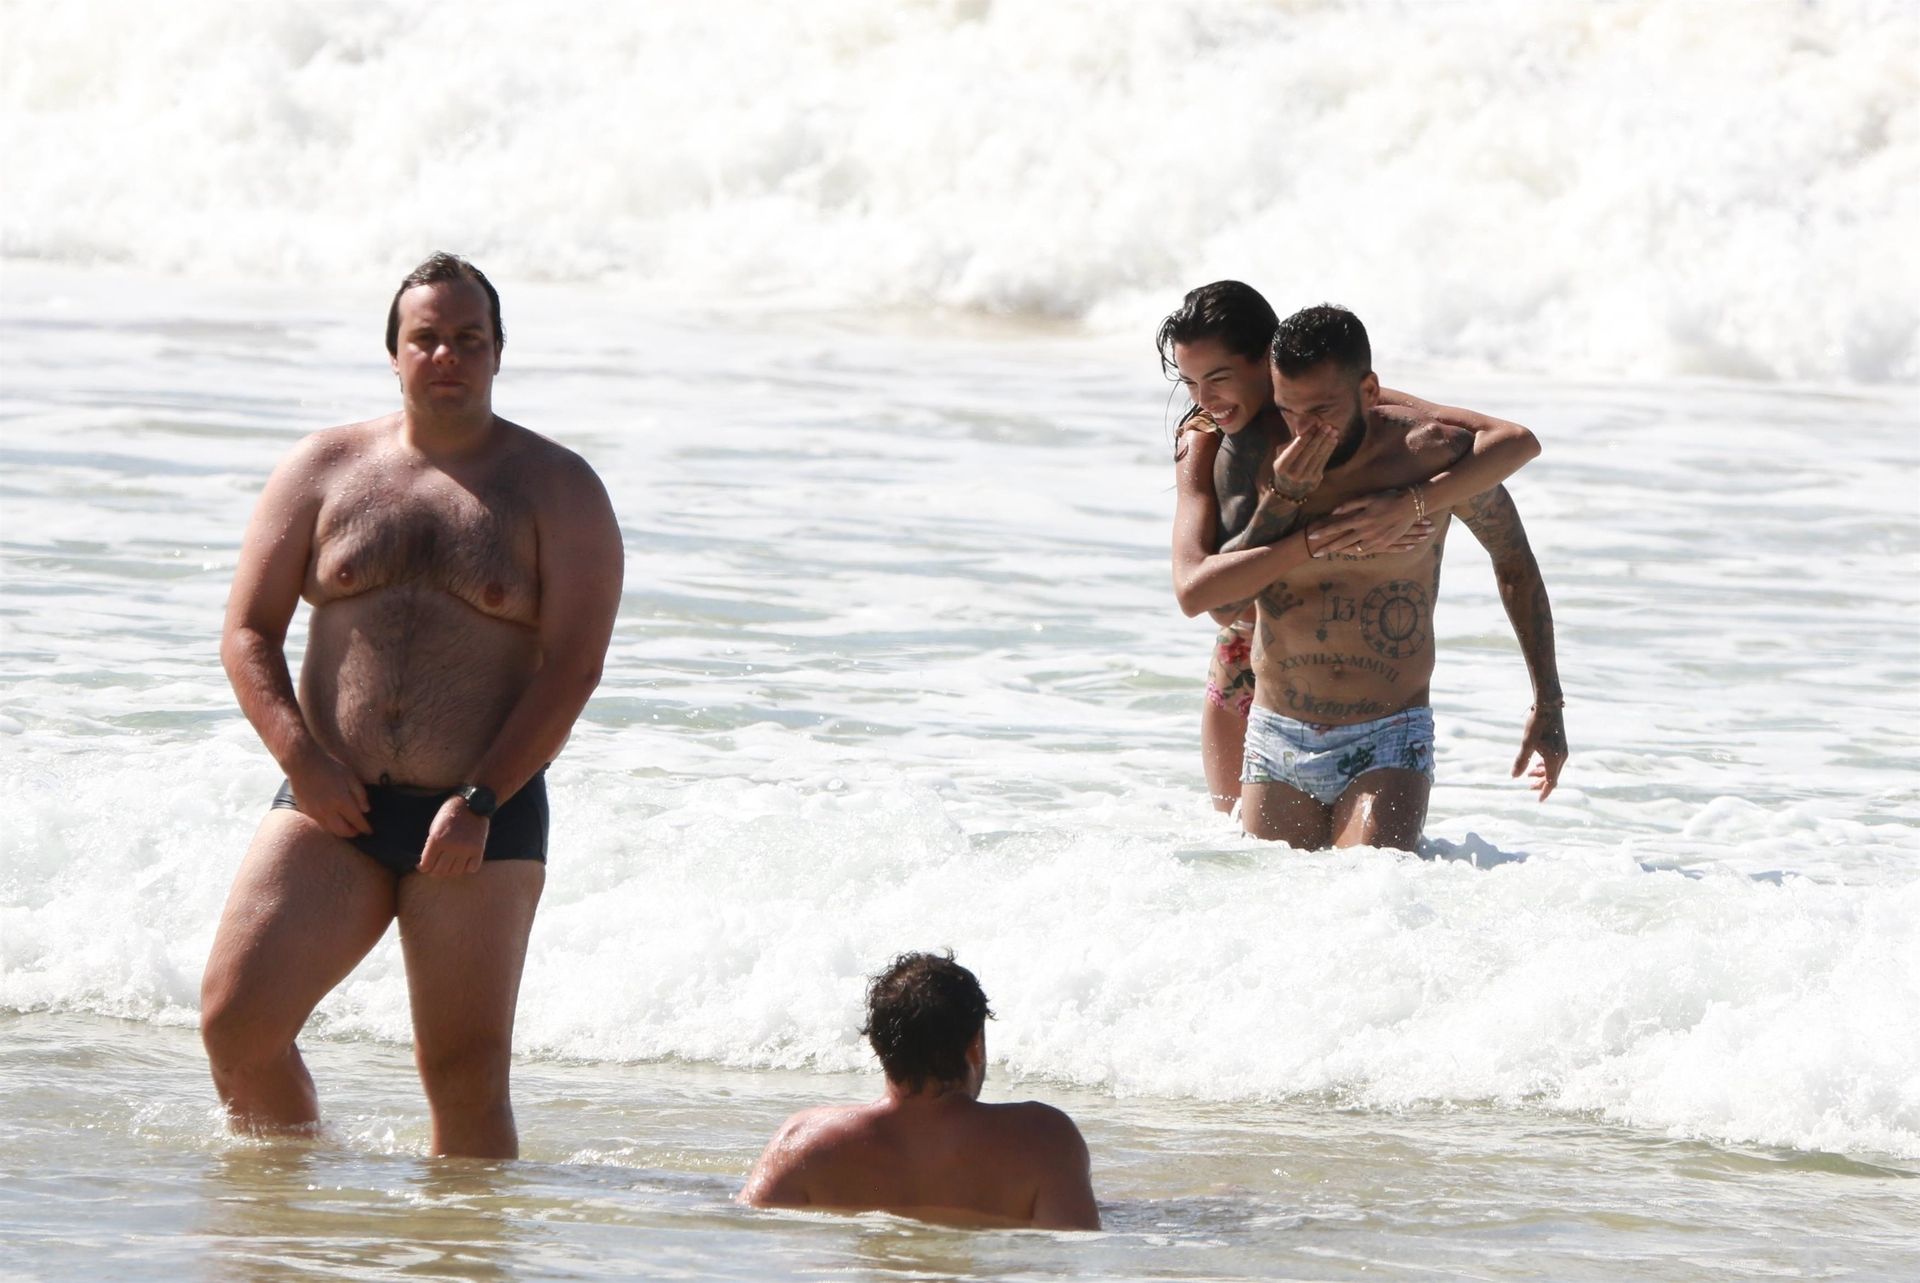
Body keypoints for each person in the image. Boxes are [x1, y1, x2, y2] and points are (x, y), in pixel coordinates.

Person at [198, 252, 624, 1158]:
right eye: (426, 338)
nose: (447, 355)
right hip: (331, 803)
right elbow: (247, 633)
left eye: (469, 338)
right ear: (392, 352)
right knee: (236, 1025)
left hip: (480, 815)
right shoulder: (323, 467)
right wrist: (302, 760)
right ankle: (289, 1208)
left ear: (499, 351)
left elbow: (573, 669)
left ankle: (455, 1238)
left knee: (465, 1079)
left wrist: (480, 798)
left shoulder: (559, 488)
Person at [1161, 281, 1544, 812]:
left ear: (1266, 360)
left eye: (1218, 379)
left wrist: (1412, 504)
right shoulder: (1204, 438)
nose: (1204, 401)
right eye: (1190, 383)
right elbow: (1202, 595)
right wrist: (1308, 528)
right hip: (1249, 664)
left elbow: (1512, 440)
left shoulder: (1339, 404)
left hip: (1364, 686)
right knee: (1235, 849)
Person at [739, 952, 1100, 1230]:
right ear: (975, 1045)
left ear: (877, 1046)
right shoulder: (1044, 1141)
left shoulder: (804, 1143)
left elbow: (747, 1240)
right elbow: (1071, 1254)